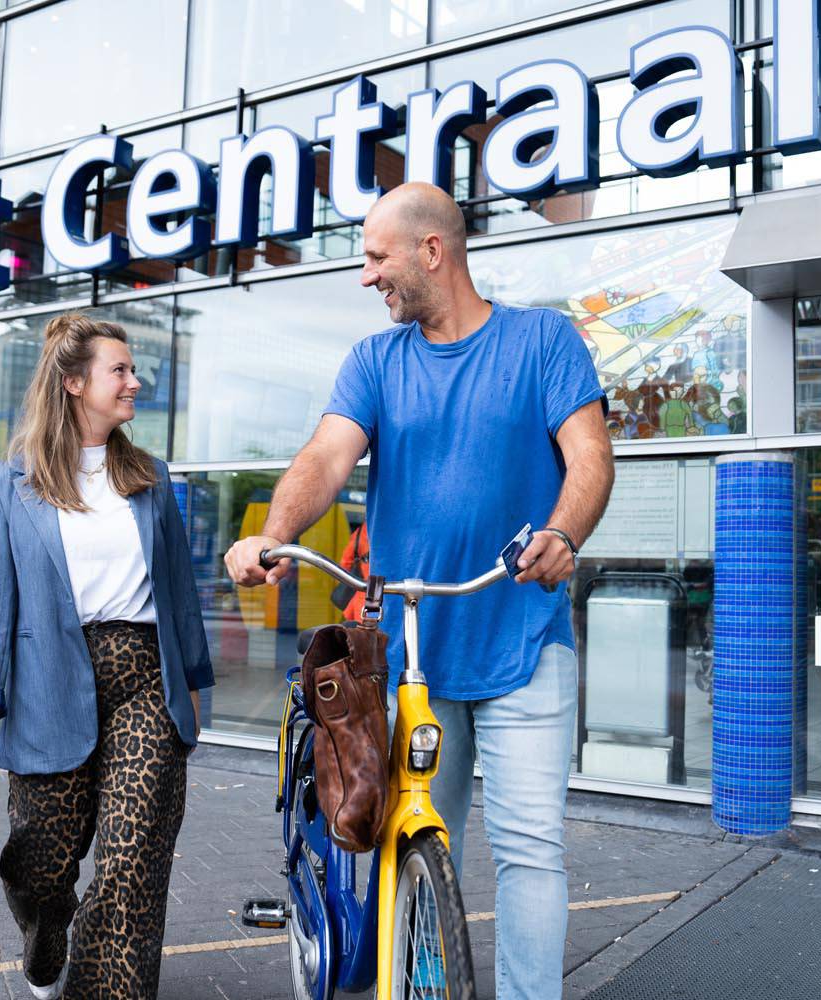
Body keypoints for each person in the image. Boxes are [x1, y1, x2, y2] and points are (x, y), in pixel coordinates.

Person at [225, 182, 614, 1000]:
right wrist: (275, 532)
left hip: (523, 641)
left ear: (430, 252)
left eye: (375, 258)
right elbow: (326, 457)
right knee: (415, 847)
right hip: (412, 657)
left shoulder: (541, 341)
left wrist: (562, 533)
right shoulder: (375, 361)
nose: (367, 277)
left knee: (531, 850)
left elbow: (589, 459)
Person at [0, 313, 214, 1000]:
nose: (134, 381)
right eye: (119, 370)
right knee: (39, 864)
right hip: (47, 682)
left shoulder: (149, 476)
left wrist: (194, 684)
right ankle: (45, 946)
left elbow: (179, 591)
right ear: (73, 383)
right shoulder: (8, 485)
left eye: (131, 369)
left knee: (130, 863)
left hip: (145, 679)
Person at [337, 520, 370, 622]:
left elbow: (345, 565)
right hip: (395, 594)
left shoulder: (361, 532)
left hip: (363, 596)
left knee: (362, 634)